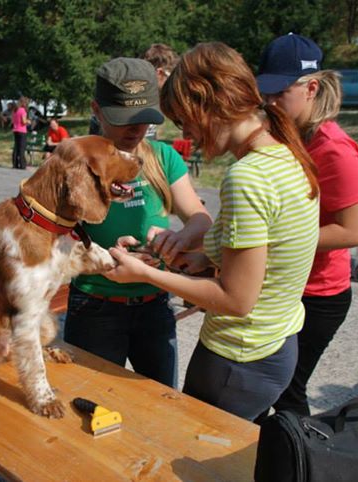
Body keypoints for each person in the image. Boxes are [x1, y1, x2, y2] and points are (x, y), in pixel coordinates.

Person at [102, 42, 320, 421]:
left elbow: (236, 300)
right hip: (274, 346)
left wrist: (146, 273)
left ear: (205, 103)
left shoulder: (247, 177)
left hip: (237, 358)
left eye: (184, 120)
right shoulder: (284, 153)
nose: (187, 134)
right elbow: (268, 260)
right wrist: (204, 258)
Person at [63, 57, 212, 389]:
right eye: (124, 119)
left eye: (143, 118)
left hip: (154, 306)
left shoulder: (163, 157)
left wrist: (181, 237)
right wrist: (97, 256)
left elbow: (201, 219)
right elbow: (50, 240)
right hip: (94, 308)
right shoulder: (74, 161)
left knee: (159, 406)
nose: (135, 130)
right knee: (91, 405)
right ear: (97, 111)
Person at [255, 33, 358, 418]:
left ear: (311, 87)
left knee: (286, 392)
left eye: (278, 93)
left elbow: (353, 231)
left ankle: (302, 463)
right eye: (264, 93)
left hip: (319, 294)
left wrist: (270, 242)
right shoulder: (288, 137)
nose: (268, 103)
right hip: (287, 282)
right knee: (265, 385)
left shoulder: (334, 148)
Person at [141, 43, 180, 140]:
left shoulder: (154, 98)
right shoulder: (138, 100)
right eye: (170, 77)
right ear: (159, 73)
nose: (174, 84)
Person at [11, 96, 29, 169]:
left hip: (15, 130)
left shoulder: (15, 110)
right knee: (22, 148)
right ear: (23, 103)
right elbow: (24, 121)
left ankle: (15, 163)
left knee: (16, 147)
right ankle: (22, 164)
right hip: (22, 130)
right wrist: (28, 121)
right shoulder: (22, 110)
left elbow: (13, 120)